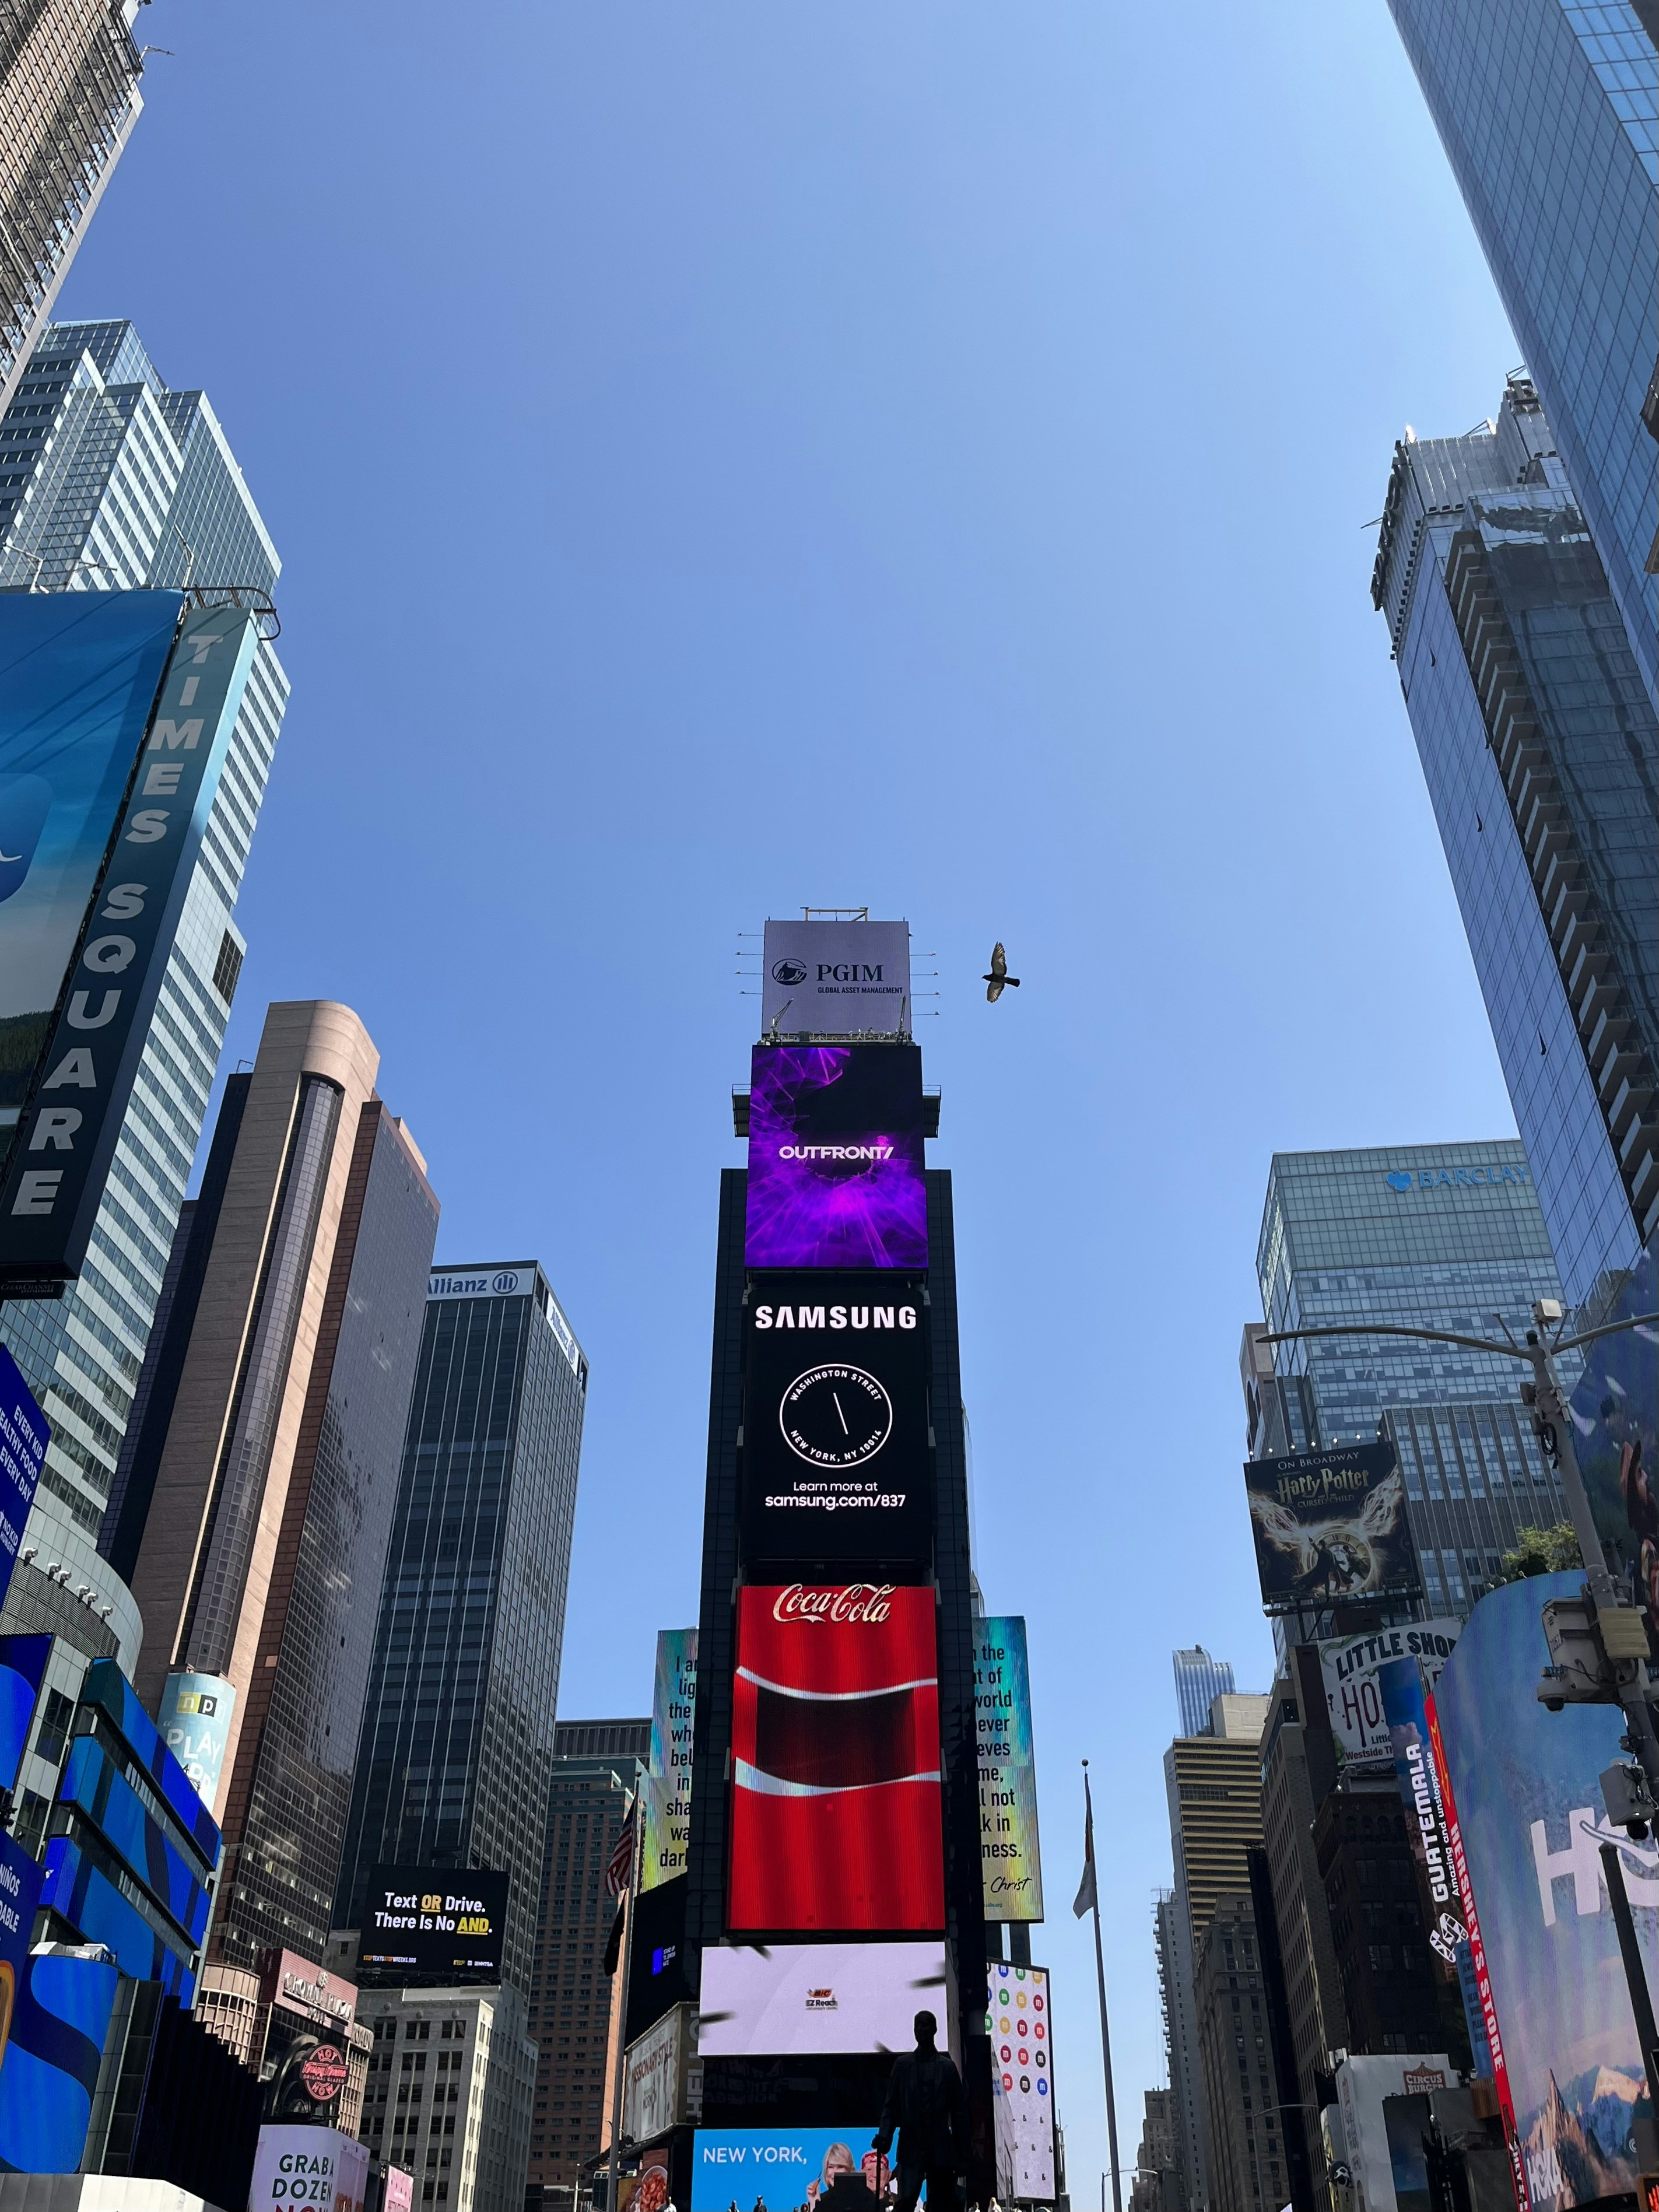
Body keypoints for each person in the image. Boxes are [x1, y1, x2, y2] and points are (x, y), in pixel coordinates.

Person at [872, 2011, 966, 2212]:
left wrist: (963, 2154)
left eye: (926, 2025)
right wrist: (885, 2136)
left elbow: (959, 2114)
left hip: (940, 2148)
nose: (922, 2029)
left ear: (935, 2029)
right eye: (918, 2025)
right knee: (905, 2201)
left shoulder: (947, 2068)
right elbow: (891, 2106)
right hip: (911, 2146)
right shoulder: (902, 2066)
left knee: (939, 2205)